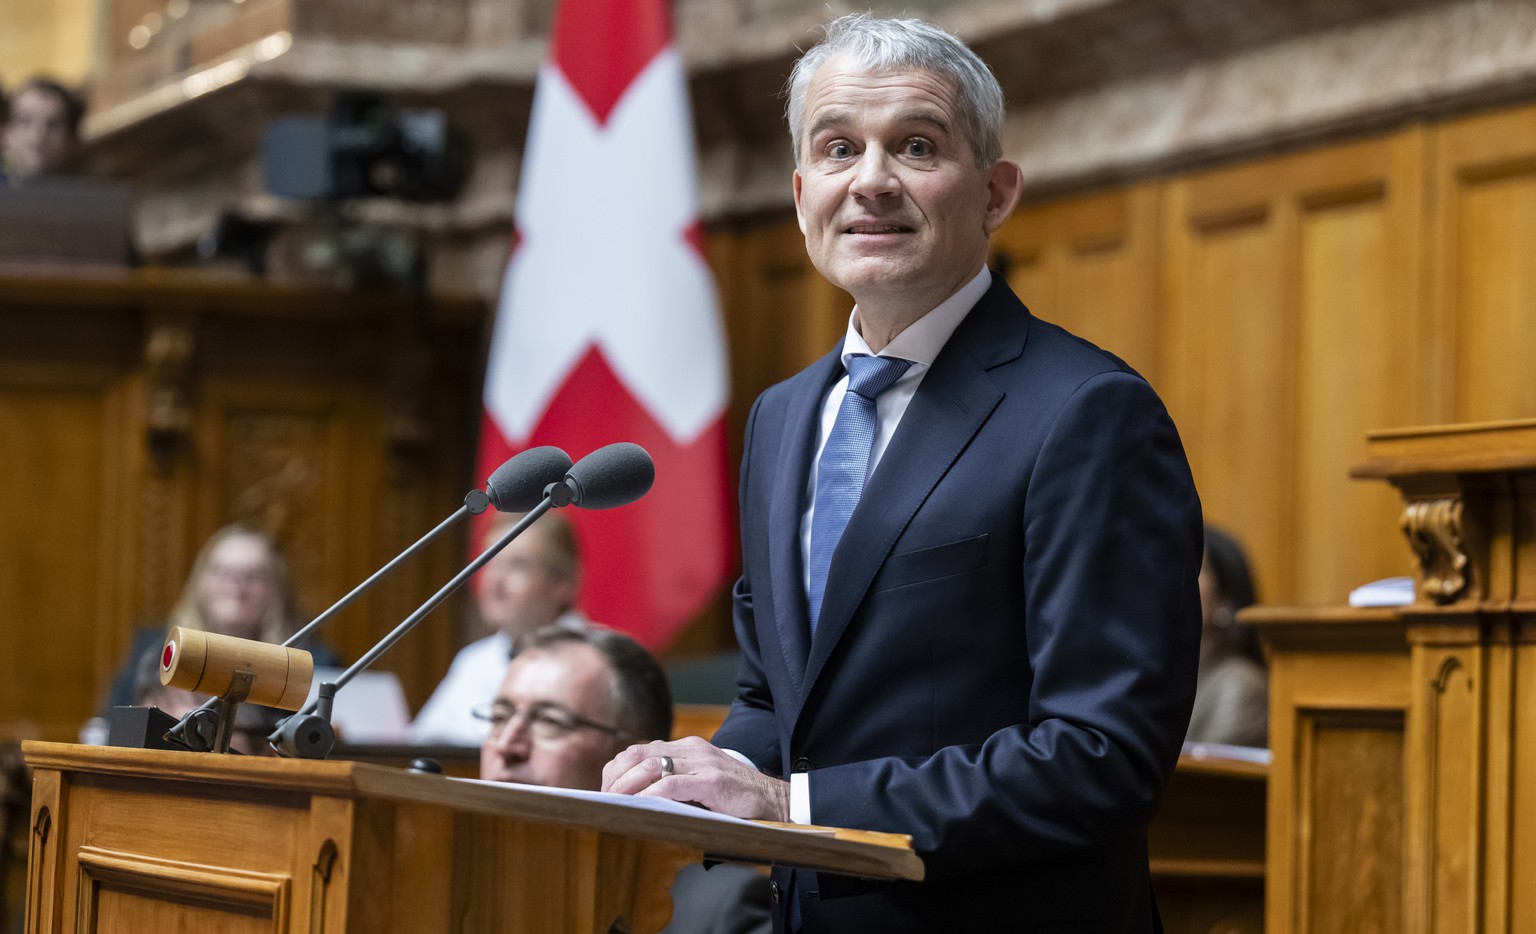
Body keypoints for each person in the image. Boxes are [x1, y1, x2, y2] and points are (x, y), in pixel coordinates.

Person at [602, 13, 1203, 932]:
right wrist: (692, 780)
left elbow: (1099, 753)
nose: (871, 181)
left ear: (996, 193)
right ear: (803, 192)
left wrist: (792, 809)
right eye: (839, 149)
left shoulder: (1086, 412)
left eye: (916, 147)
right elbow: (778, 695)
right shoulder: (784, 417)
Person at [480, 625, 771, 934]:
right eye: (499, 717)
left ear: (634, 761)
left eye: (550, 721)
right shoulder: (449, 880)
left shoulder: (719, 912)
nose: (506, 745)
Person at [104, 523, 336, 711]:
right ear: (200, 583)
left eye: (253, 576)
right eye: (223, 573)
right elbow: (112, 727)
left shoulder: (313, 664)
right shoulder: (155, 654)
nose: (237, 587)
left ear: (276, 589)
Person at [411, 511, 587, 744]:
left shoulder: (597, 662)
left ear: (562, 582)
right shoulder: (473, 661)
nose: (495, 581)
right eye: (491, 564)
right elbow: (419, 743)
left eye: (517, 566)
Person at [1186, 525, 1267, 748]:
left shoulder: (1239, 687)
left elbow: (1202, 781)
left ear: (1225, 601)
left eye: (1191, 568)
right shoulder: (1157, 674)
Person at [2, 76, 83, 180]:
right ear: (6, 133)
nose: (38, 133)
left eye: (52, 124)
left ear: (72, 138)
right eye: (25, 121)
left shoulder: (92, 193)